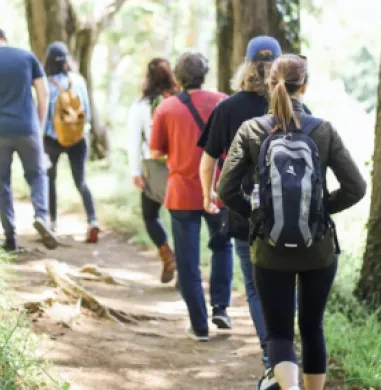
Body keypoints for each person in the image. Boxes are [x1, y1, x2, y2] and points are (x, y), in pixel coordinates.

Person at [217, 54, 366, 390]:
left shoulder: (251, 130)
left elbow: (226, 188)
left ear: (270, 86)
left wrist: (259, 217)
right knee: (312, 328)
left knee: (280, 332)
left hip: (269, 251)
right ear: (305, 86)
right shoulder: (324, 130)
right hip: (318, 248)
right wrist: (320, 210)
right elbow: (357, 186)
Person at [197, 36, 310, 387]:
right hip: (292, 213)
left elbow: (207, 161)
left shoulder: (228, 109)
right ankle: (285, 358)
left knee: (257, 287)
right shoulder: (298, 109)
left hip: (245, 211)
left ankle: (272, 361)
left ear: (245, 66)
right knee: (288, 284)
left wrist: (208, 196)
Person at [149, 52, 233, 342]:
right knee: (222, 246)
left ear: (178, 77)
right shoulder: (223, 101)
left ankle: (199, 326)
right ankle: (221, 307)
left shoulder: (166, 108)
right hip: (218, 189)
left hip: (182, 193)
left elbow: (155, 152)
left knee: (187, 261)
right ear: (205, 73)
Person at [0, 27, 58, 252]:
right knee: (37, 176)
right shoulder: (27, 57)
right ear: (4, 40)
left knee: (2, 184)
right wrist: (39, 125)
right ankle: (41, 217)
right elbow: (43, 93)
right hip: (28, 128)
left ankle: (10, 238)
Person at [127, 57, 180, 283]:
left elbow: (133, 141)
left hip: (153, 169)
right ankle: (184, 270)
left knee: (150, 216)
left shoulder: (141, 106)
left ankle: (166, 253)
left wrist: (135, 172)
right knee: (182, 220)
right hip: (181, 168)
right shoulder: (181, 101)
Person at [43, 42, 99, 244]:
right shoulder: (78, 81)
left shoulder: (45, 84)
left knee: (50, 179)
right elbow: (88, 115)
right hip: (78, 139)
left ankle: (51, 222)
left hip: (52, 140)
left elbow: (43, 116)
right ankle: (92, 220)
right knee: (81, 181)